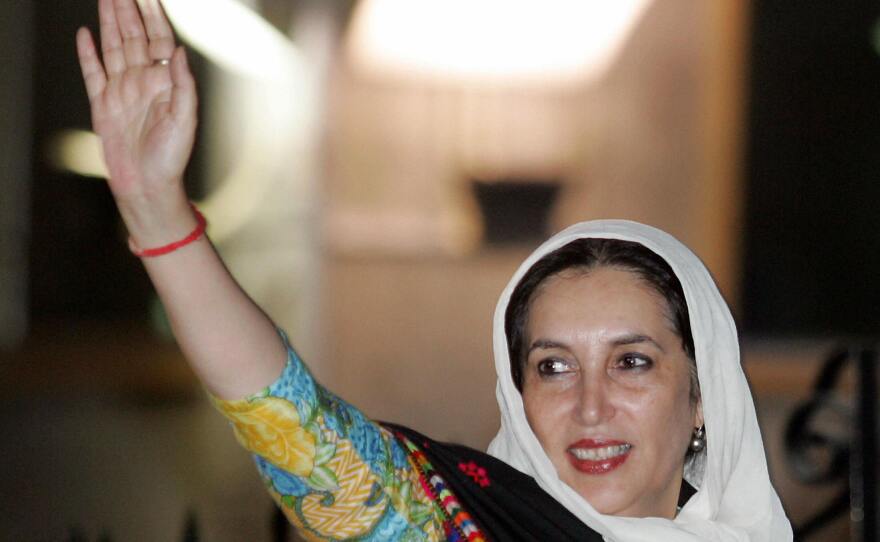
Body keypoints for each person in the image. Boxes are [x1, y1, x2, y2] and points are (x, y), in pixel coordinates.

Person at [76, 1, 793, 540]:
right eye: (552, 367)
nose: (590, 405)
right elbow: (294, 425)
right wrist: (156, 211)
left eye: (632, 362)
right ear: (517, 397)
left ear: (703, 395)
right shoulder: (455, 526)